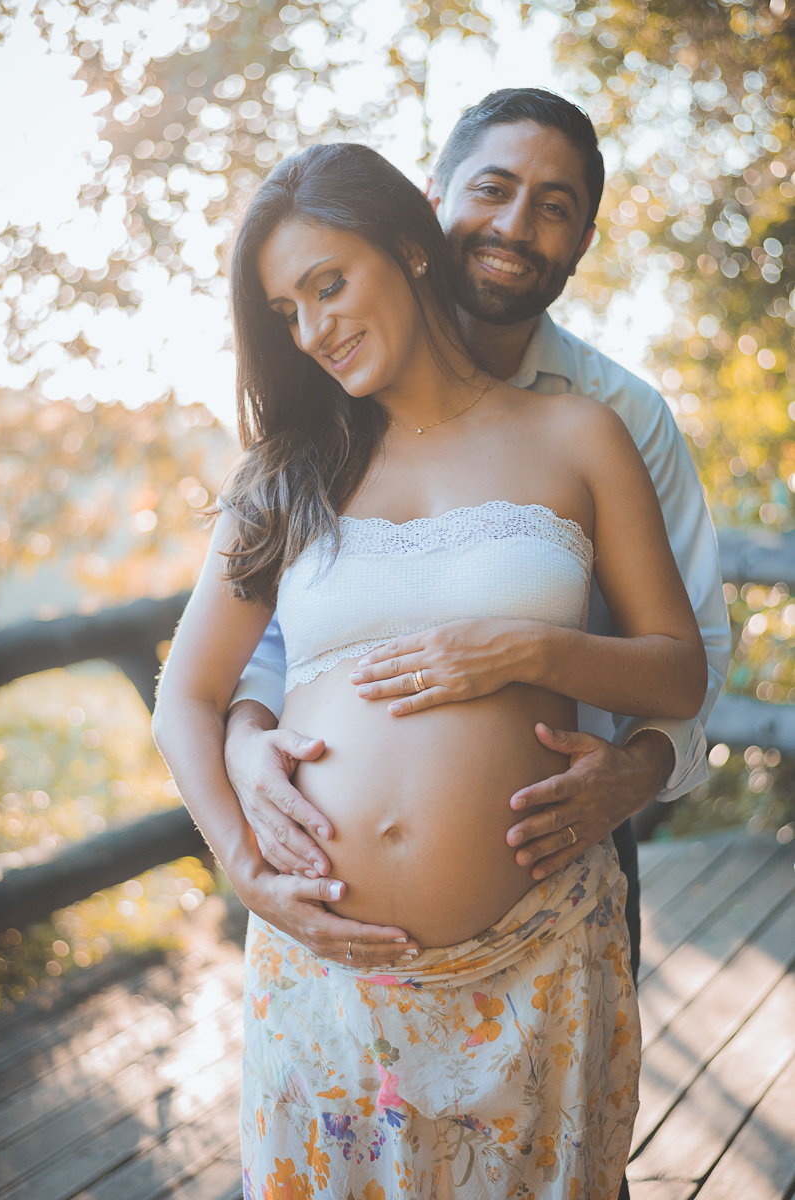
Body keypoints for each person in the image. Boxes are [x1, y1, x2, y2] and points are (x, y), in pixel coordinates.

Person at [153, 140, 708, 1197]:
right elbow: (188, 694)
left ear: (410, 249)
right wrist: (240, 860)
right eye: (285, 312)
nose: (314, 330)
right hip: (327, 969)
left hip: (536, 957)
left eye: (329, 284)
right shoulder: (285, 473)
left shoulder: (580, 434)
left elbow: (679, 674)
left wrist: (533, 648)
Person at [223, 90, 730, 982]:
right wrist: (242, 743)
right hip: (329, 950)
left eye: (554, 208)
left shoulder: (617, 419)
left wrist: (638, 772)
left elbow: (694, 655)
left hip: (559, 862)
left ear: (580, 245)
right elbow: (266, 639)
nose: (514, 225)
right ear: (432, 203)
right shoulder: (319, 428)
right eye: (491, 188)